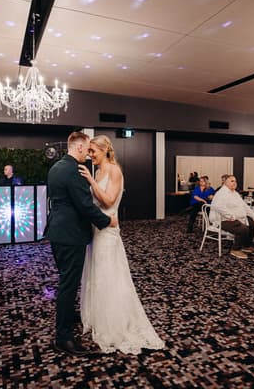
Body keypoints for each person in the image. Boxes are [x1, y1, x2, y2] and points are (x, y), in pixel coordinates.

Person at [78, 135, 164, 354]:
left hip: (108, 231)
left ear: (105, 150)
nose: (90, 156)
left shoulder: (114, 171)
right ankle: (100, 318)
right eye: (88, 152)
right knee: (97, 274)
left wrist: (90, 181)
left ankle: (115, 324)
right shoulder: (98, 171)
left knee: (109, 275)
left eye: (93, 152)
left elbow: (108, 200)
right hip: (96, 229)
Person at [46, 132, 118, 356]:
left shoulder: (56, 167)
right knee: (68, 285)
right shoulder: (74, 171)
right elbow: (85, 206)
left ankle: (67, 317)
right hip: (71, 235)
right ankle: (63, 337)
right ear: (78, 148)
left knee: (66, 281)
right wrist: (107, 221)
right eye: (87, 149)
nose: (88, 154)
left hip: (57, 232)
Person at [211, 175, 254, 259]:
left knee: (253, 223)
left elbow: (244, 206)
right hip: (224, 220)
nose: (234, 183)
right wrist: (232, 216)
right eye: (232, 181)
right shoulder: (222, 193)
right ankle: (235, 249)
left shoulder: (234, 192)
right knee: (243, 228)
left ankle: (246, 245)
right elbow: (219, 207)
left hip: (238, 217)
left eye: (235, 181)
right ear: (225, 183)